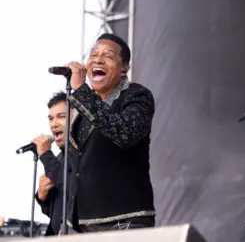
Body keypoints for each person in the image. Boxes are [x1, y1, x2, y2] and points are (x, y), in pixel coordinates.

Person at [64, 33, 155, 232]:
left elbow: (124, 134)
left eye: (107, 56)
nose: (97, 59)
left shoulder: (137, 96)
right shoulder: (83, 108)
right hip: (85, 224)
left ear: (124, 68)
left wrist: (81, 91)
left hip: (124, 221)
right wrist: (68, 219)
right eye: (93, 54)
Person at [34, 91, 72, 236]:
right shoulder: (60, 157)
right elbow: (56, 210)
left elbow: (74, 191)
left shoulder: (84, 154)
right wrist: (42, 196)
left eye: (61, 117)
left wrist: (45, 155)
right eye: (51, 118)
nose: (54, 124)